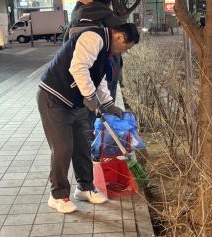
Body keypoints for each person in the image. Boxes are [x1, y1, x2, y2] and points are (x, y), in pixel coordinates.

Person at [38, 22, 140, 214]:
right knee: (63, 148)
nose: (124, 52)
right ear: (120, 37)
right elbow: (78, 68)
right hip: (54, 97)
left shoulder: (105, 51)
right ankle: (57, 195)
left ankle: (85, 187)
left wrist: (108, 104)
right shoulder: (94, 38)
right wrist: (91, 98)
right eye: (126, 48)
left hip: (75, 102)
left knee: (83, 144)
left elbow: (98, 78)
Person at [72, 0, 126, 100]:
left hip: (84, 70)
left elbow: (67, 41)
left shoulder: (76, 17)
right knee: (107, 103)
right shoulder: (115, 22)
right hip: (107, 69)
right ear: (109, 2)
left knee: (89, 103)